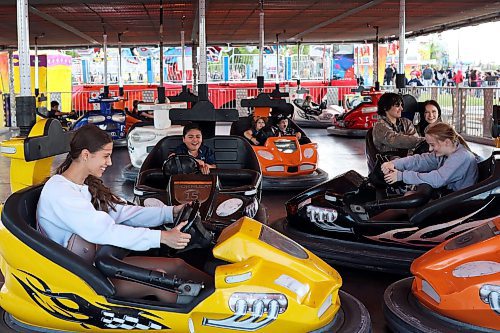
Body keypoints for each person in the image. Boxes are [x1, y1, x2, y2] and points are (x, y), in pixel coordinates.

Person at [37, 124, 211, 303]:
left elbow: (123, 212)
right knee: (160, 281)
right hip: (79, 279)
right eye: (105, 156)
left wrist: (171, 213)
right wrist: (162, 237)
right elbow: (104, 231)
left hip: (96, 264)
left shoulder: (85, 184)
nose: (110, 163)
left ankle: (224, 296)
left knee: (177, 265)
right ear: (86, 155)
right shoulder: (60, 192)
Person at [381, 122, 478, 193]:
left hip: (461, 203)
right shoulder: (444, 154)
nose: (430, 149)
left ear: (447, 142)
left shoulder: (461, 157)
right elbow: (420, 160)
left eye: (432, 145)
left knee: (410, 197)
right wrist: (394, 163)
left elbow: (437, 179)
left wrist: (401, 176)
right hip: (451, 196)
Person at [372, 93, 425, 159]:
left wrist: (411, 157)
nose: (401, 108)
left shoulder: (406, 122)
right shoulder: (380, 126)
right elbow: (396, 140)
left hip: (408, 160)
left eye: (401, 105)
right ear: (385, 107)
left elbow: (415, 140)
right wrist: (424, 140)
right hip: (388, 163)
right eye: (397, 105)